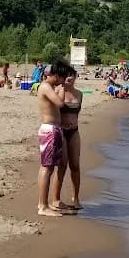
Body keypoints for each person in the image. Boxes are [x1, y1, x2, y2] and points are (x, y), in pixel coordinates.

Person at [36, 61, 70, 217]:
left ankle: (43, 203)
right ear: (56, 75)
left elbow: (57, 104)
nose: (64, 80)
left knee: (49, 167)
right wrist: (61, 89)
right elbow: (60, 104)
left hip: (53, 129)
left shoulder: (49, 87)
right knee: (47, 167)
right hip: (49, 130)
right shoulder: (45, 86)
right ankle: (42, 206)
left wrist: (61, 88)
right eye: (62, 77)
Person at [52, 69, 83, 211]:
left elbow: (76, 114)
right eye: (67, 75)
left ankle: (76, 198)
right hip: (62, 132)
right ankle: (56, 198)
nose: (70, 78)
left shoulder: (80, 94)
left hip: (74, 132)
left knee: (75, 166)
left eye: (72, 75)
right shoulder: (58, 92)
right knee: (62, 165)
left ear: (76, 77)